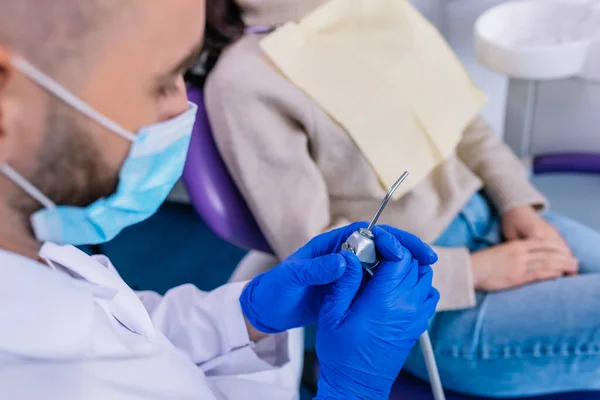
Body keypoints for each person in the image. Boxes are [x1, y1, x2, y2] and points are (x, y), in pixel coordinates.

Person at [0, 1, 440, 399]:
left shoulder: (30, 246)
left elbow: (132, 331)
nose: (183, 108)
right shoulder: (49, 381)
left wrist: (246, 317)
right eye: (159, 83)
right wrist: (353, 392)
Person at [204, 0, 600, 397]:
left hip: (496, 219)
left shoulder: (373, 10)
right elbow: (315, 250)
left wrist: (517, 204)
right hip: (417, 297)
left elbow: (464, 126)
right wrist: (473, 270)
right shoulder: (244, 81)